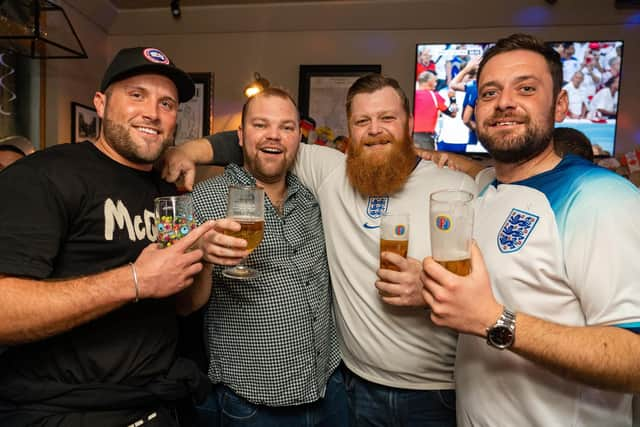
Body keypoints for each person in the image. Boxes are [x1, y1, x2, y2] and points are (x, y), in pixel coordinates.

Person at [163, 74, 477, 426]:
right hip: (276, 397)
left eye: (387, 118)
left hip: (367, 391)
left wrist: (433, 286)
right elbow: (182, 304)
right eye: (362, 121)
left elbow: (492, 279)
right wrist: (185, 151)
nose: (375, 129)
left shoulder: (316, 186)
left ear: (408, 122)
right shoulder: (322, 176)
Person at [421, 33, 640, 426]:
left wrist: (495, 321)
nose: (504, 102)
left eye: (525, 88)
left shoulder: (602, 199)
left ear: (560, 104)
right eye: (489, 93)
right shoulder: (487, 187)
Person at [0, 46, 215, 426]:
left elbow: (183, 303)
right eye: (137, 95)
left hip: (157, 405)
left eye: (166, 103)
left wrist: (205, 257)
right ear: (100, 103)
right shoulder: (42, 177)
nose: (153, 111)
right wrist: (135, 280)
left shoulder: (167, 192)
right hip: (64, 411)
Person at [178, 87, 346, 426]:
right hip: (253, 403)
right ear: (240, 135)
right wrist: (204, 258)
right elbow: (181, 306)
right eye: (260, 125)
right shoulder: (200, 201)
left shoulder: (314, 194)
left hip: (330, 389)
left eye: (286, 127)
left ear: (299, 137)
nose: (274, 136)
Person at [413, 70, 456, 150]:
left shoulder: (412, 95)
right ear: (428, 81)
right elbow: (452, 114)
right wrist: (453, 99)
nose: (436, 84)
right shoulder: (434, 96)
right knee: (426, 162)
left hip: (409, 136)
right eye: (435, 81)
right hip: (425, 139)